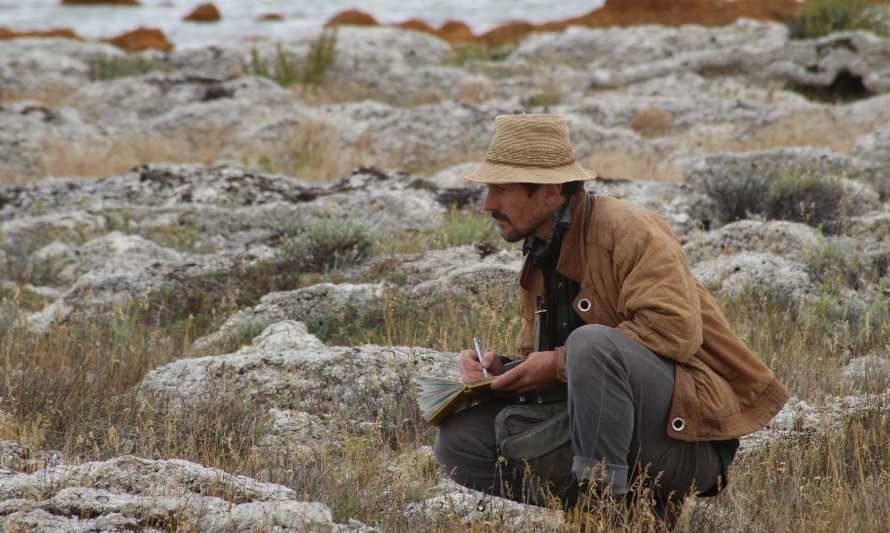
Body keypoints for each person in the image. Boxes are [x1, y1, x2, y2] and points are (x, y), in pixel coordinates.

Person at [433, 114, 789, 519]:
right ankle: (629, 516)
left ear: (550, 192)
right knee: (459, 439)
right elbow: (560, 369)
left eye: (501, 189)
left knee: (591, 345)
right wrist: (503, 371)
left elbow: (676, 333)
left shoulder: (628, 229)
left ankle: (602, 510)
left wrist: (560, 361)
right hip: (605, 432)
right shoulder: (541, 253)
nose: (488, 205)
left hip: (688, 438)